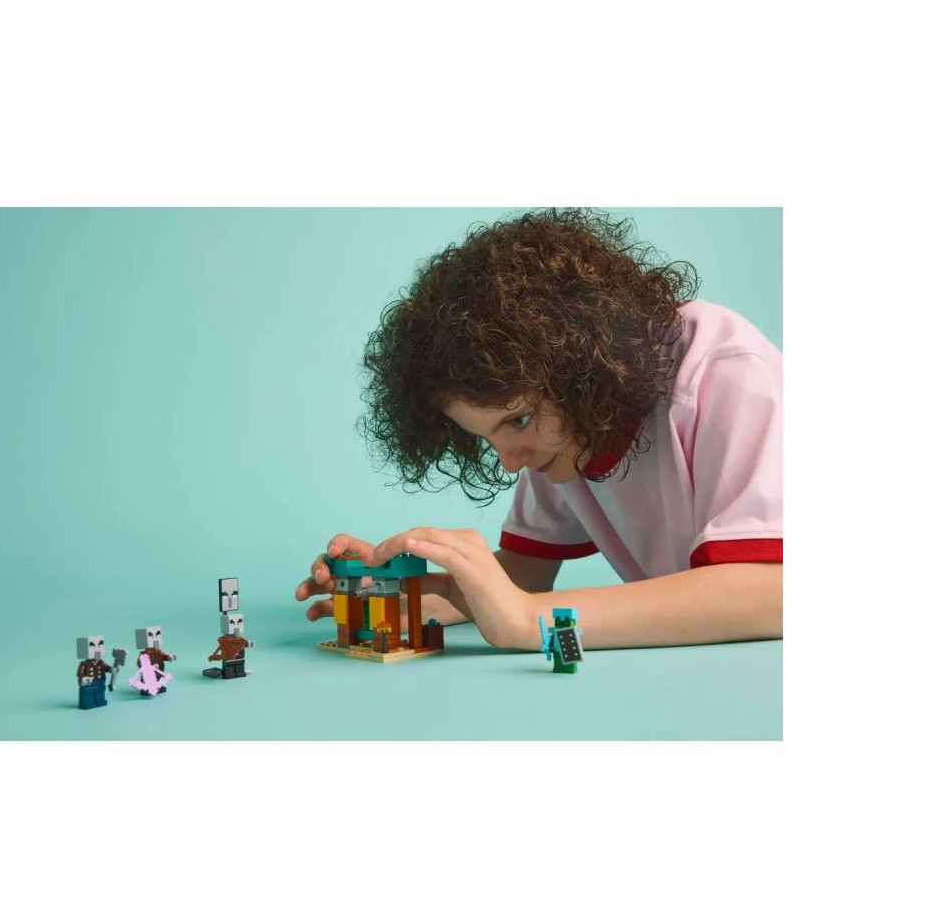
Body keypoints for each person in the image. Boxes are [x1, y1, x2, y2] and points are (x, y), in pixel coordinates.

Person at [294, 209, 782, 650]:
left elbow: (775, 592)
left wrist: (530, 622)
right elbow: (525, 575)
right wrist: (408, 595)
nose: (510, 462)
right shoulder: (565, 429)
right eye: (487, 437)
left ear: (580, 365)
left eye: (518, 420)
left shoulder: (726, 373)